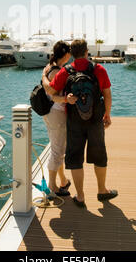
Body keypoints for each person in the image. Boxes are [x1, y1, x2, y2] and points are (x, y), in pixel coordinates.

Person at [42, 39, 118, 208]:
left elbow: (50, 91)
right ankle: (102, 190)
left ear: (73, 54)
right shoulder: (99, 69)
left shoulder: (65, 72)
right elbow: (107, 95)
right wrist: (107, 115)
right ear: (86, 52)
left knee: (75, 157)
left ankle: (81, 196)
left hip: (74, 121)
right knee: (99, 155)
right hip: (95, 120)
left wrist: (44, 78)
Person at [42, 40, 77, 197]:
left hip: (51, 114)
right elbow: (52, 95)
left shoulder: (49, 67)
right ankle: (52, 186)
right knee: (57, 151)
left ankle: (62, 180)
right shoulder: (56, 71)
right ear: (66, 54)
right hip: (56, 113)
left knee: (58, 148)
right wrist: (66, 100)